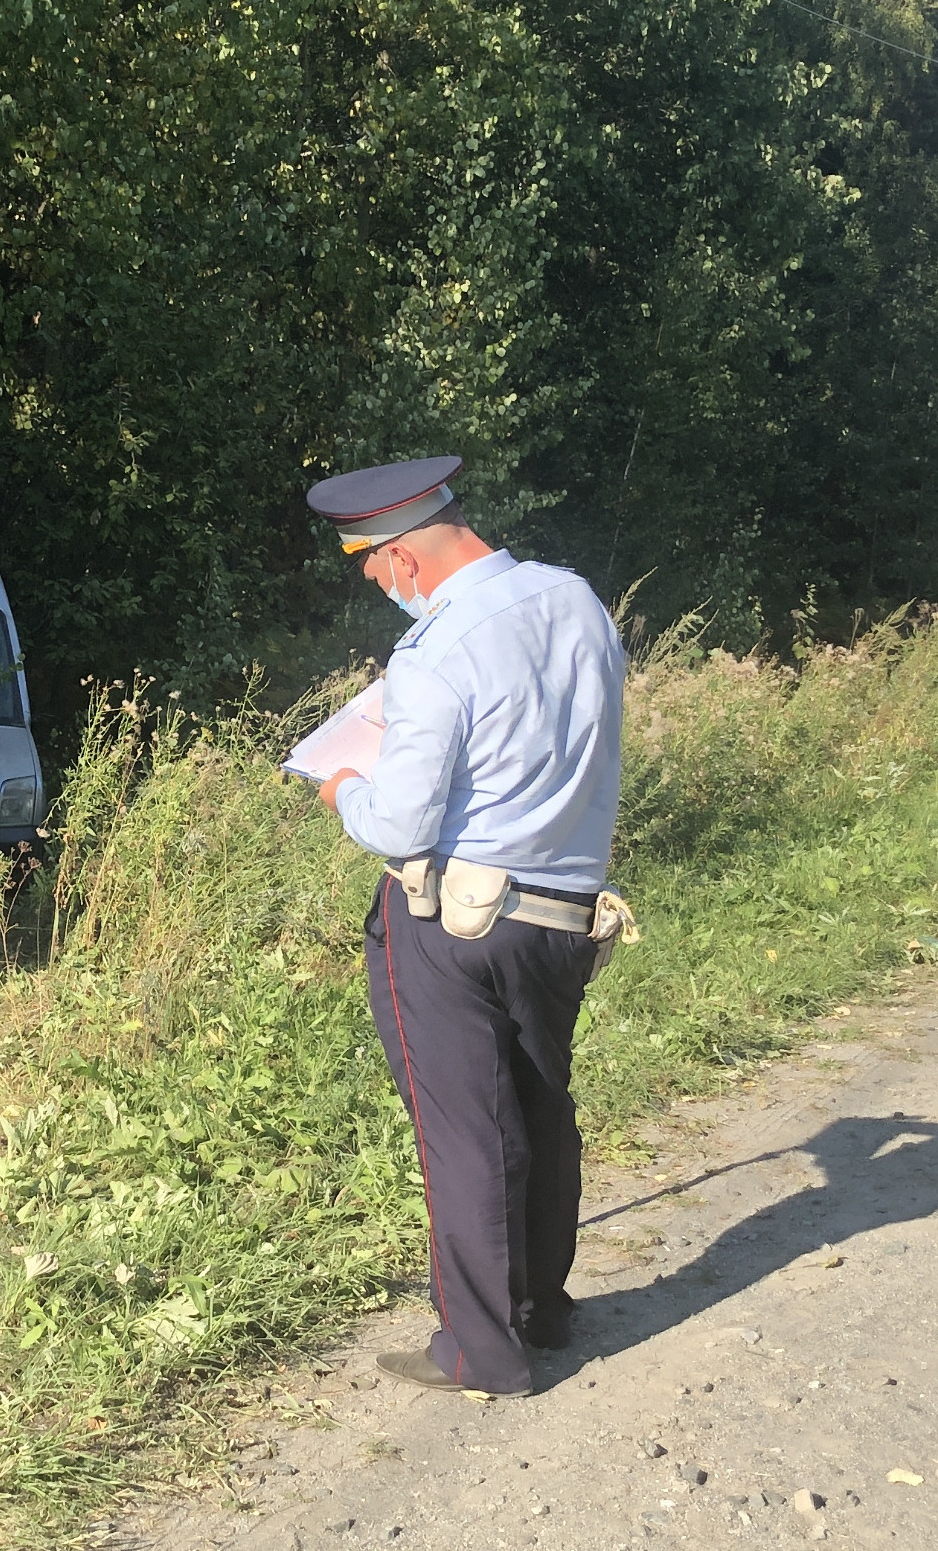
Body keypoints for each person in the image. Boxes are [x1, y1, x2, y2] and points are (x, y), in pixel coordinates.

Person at [307, 456, 625, 1398]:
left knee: (466, 1134)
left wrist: (341, 787)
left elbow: (402, 824)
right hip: (565, 915)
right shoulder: (577, 601)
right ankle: (543, 1308)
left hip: (458, 920)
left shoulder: (434, 654)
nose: (378, 590)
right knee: (540, 1109)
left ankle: (481, 1350)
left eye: (371, 571)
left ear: (401, 558)